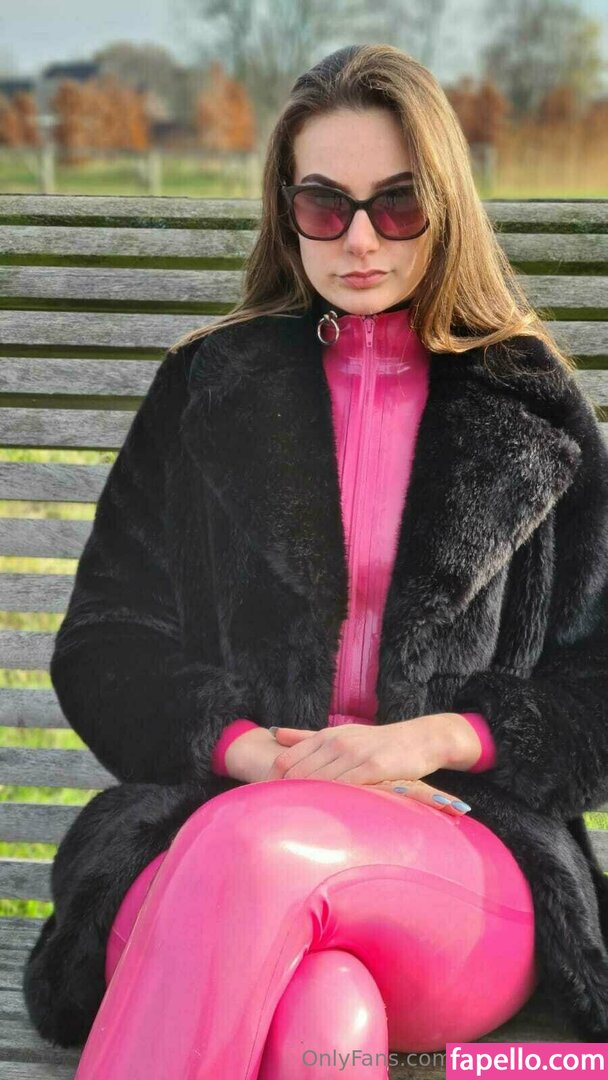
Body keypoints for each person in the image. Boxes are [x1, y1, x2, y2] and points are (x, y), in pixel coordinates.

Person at [22, 42, 608, 1077]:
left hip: (461, 857)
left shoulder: (532, 411)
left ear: (444, 206)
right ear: (286, 211)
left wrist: (430, 740)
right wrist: (257, 754)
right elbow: (107, 644)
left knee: (255, 855)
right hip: (206, 825)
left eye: (398, 203)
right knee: (319, 1011)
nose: (360, 238)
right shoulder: (208, 387)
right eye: (324, 204)